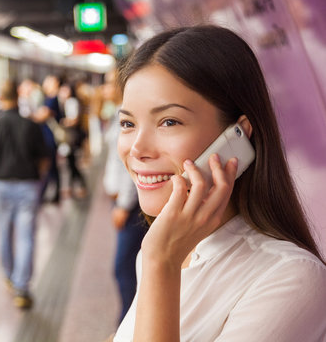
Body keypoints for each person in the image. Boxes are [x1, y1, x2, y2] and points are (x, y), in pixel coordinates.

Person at [113, 25, 326, 341]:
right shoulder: (163, 250)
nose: (138, 149)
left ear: (237, 135)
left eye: (169, 121)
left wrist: (160, 264)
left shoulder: (290, 277)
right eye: (128, 123)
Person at [0, 80, 49, 309]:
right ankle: (22, 287)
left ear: (0, 98)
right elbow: (45, 159)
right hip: (27, 185)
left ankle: (8, 275)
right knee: (26, 235)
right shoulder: (31, 125)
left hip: (1, 185)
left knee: (4, 231)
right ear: (18, 97)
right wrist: (37, 177)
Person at [102, 69, 147, 324]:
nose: (105, 89)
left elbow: (132, 163)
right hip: (119, 199)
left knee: (123, 267)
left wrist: (123, 204)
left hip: (128, 205)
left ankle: (127, 325)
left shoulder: (128, 117)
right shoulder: (117, 113)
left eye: (109, 84)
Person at [33, 75, 63, 203]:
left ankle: (52, 193)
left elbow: (41, 115)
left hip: (50, 137)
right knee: (51, 166)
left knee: (51, 166)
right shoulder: (48, 98)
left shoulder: (53, 99)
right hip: (46, 136)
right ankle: (52, 192)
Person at [58, 82, 87, 198]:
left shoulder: (72, 102)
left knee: (72, 163)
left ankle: (80, 186)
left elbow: (74, 119)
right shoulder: (66, 102)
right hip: (71, 136)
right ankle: (72, 187)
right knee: (70, 163)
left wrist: (65, 122)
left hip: (72, 136)